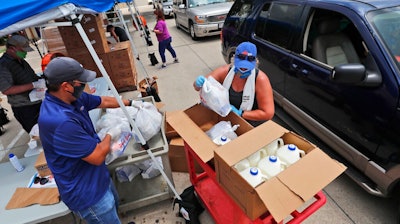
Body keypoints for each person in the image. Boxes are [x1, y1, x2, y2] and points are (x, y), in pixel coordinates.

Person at [38, 57, 134, 224]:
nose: (84, 84)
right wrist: (111, 133)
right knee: (106, 214)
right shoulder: (60, 121)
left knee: (114, 207)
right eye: (80, 81)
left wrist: (132, 103)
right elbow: (97, 156)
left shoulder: (71, 98)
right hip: (87, 192)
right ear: (66, 86)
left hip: (98, 178)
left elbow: (103, 101)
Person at [193, 42, 274, 127]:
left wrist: (241, 113)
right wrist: (198, 83)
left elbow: (268, 113)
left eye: (247, 67)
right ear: (234, 59)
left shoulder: (260, 79)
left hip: (250, 123)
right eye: (241, 66)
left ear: (255, 63)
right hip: (227, 118)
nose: (243, 69)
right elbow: (200, 87)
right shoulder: (224, 72)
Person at [0, 34, 45, 133]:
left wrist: (41, 81)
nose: (25, 53)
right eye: (22, 50)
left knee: (49, 129)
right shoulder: (3, 65)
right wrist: (33, 85)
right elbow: (7, 90)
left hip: (37, 101)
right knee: (39, 134)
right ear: (12, 48)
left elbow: (32, 76)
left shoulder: (22, 61)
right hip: (24, 108)